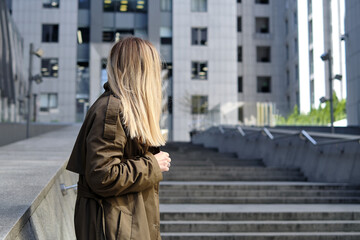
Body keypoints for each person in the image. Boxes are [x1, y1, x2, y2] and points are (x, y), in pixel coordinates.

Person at [66, 36, 171, 240]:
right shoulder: (112, 109)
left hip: (123, 223)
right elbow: (102, 175)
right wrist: (152, 165)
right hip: (114, 228)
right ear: (143, 71)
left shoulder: (122, 108)